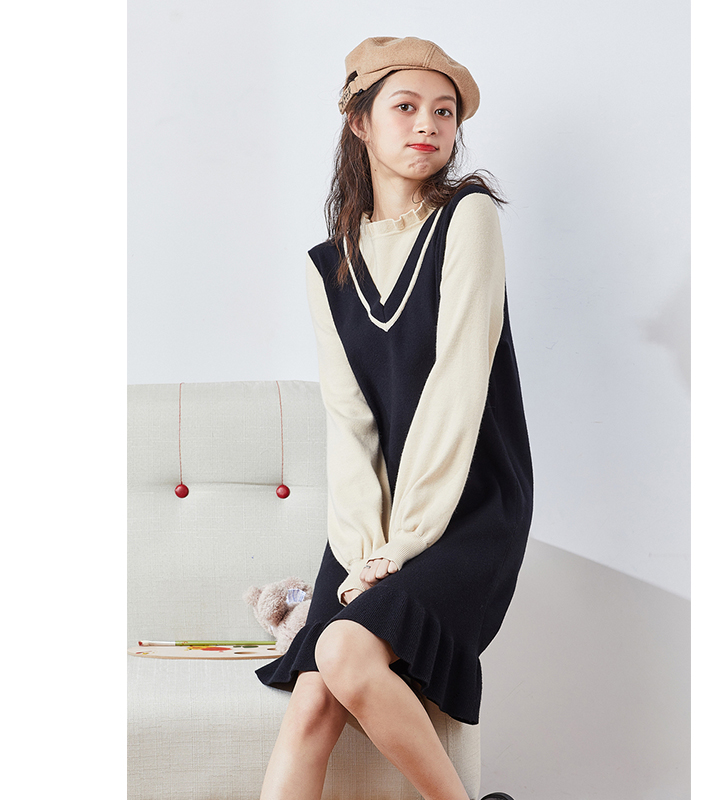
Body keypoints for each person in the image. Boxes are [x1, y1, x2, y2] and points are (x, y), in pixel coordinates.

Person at [255, 36, 533, 800]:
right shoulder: (329, 266)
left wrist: (403, 545)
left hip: (468, 508)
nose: (428, 125)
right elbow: (349, 424)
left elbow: (457, 386)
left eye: (444, 112)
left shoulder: (468, 217)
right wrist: (363, 552)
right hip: (371, 524)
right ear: (360, 122)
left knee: (342, 652)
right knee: (313, 698)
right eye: (406, 107)